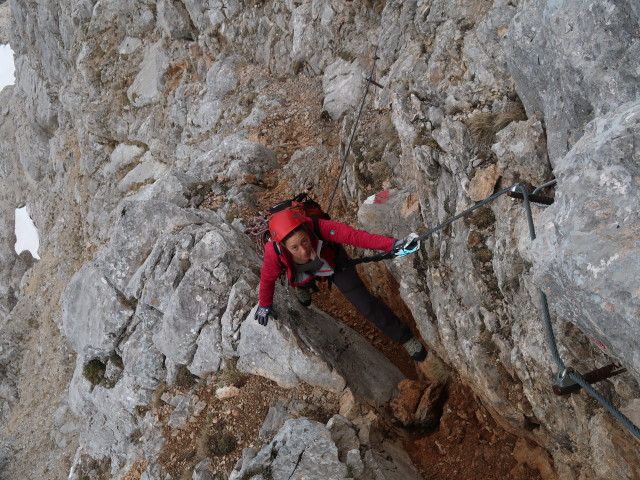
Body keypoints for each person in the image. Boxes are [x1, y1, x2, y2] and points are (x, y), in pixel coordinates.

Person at [254, 208, 427, 361]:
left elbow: (354, 236)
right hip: (301, 271)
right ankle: (303, 287)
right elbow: (267, 279)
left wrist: (392, 244)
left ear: (307, 231)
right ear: (283, 246)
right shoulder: (274, 252)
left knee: (366, 305)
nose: (303, 250)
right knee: (301, 280)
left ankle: (405, 338)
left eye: (304, 241)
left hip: (333, 262)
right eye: (295, 247)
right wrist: (264, 304)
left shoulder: (318, 227)